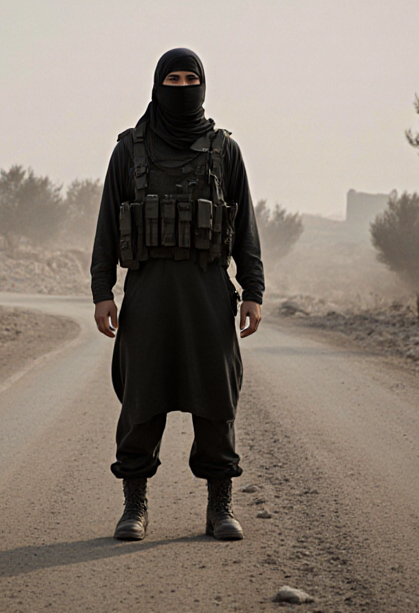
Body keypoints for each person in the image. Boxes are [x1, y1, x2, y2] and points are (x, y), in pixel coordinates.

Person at [90, 47, 265, 542]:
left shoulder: (224, 150)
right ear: (157, 84)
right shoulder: (129, 150)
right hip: (148, 294)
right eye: (173, 78)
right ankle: (134, 506)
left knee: (216, 401)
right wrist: (102, 290)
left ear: (204, 84)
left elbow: (245, 226)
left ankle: (219, 507)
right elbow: (106, 224)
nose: (183, 86)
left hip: (209, 292)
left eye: (191, 77)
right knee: (142, 401)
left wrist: (253, 289)